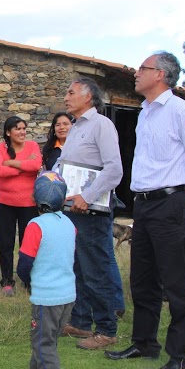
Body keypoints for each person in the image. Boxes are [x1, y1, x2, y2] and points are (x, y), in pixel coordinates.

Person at [106, 51, 185, 369]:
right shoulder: (145, 112)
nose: (136, 72)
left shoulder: (181, 111)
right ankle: (144, 343)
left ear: (161, 75)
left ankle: (181, 356)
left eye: (143, 68)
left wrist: (183, 198)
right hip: (145, 204)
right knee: (142, 279)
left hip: (170, 204)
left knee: (176, 282)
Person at [54, 77, 124, 351]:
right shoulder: (76, 128)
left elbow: (114, 170)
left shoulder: (102, 125)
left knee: (96, 270)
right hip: (74, 209)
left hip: (92, 211)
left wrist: (87, 196)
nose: (66, 97)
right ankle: (81, 321)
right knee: (78, 268)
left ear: (88, 97)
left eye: (71, 92)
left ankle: (106, 329)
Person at [12, 171, 76, 369]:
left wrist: (27, 280)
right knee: (46, 337)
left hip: (47, 297)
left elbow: (25, 263)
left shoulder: (35, 225)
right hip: (68, 295)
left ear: (35, 199)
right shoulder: (69, 224)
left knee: (42, 341)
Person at [0, 116, 42, 296]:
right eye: (17, 129)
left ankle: (28, 279)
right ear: (8, 132)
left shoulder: (32, 146)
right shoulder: (0, 148)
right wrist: (23, 168)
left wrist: (12, 163)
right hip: (5, 204)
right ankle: (7, 281)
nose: (22, 132)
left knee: (28, 244)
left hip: (29, 204)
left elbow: (36, 165)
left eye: (23, 128)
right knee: (6, 244)